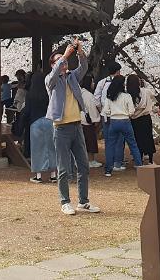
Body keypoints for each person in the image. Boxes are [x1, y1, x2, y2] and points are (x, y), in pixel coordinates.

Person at [45, 40, 100, 216]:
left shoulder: (72, 77)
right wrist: (65, 55)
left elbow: (83, 67)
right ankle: (65, 201)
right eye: (59, 61)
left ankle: (83, 202)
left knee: (83, 165)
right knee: (63, 167)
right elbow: (53, 76)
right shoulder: (51, 80)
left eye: (65, 61)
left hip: (77, 126)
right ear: (53, 65)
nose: (64, 63)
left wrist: (79, 52)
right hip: (60, 128)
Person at [101, 76, 142, 177]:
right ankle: (139, 166)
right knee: (133, 144)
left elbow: (106, 111)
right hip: (125, 121)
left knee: (110, 145)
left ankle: (108, 170)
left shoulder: (109, 96)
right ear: (122, 84)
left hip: (113, 122)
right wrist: (128, 114)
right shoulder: (126, 96)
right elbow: (132, 111)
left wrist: (112, 114)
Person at [25, 68, 56, 183]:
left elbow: (27, 110)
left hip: (35, 123)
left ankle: (38, 176)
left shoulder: (30, 94)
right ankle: (53, 175)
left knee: (37, 149)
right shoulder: (50, 93)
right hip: (49, 121)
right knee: (52, 147)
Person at [94, 61, 124, 171]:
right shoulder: (121, 82)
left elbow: (96, 98)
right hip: (119, 114)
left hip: (106, 115)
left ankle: (109, 163)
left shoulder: (102, 82)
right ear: (117, 72)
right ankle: (118, 163)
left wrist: (101, 110)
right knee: (119, 139)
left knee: (109, 139)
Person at [127, 75, 156, 164]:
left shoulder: (127, 94)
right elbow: (153, 92)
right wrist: (145, 82)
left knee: (137, 139)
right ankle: (150, 159)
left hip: (134, 119)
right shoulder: (146, 91)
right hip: (145, 118)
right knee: (148, 138)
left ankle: (139, 158)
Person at [79, 74, 102, 168]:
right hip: (87, 121)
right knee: (90, 141)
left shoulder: (79, 92)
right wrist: (96, 119)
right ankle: (91, 160)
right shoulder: (89, 95)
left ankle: (80, 161)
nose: (93, 83)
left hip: (78, 120)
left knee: (81, 142)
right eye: (92, 81)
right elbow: (92, 108)